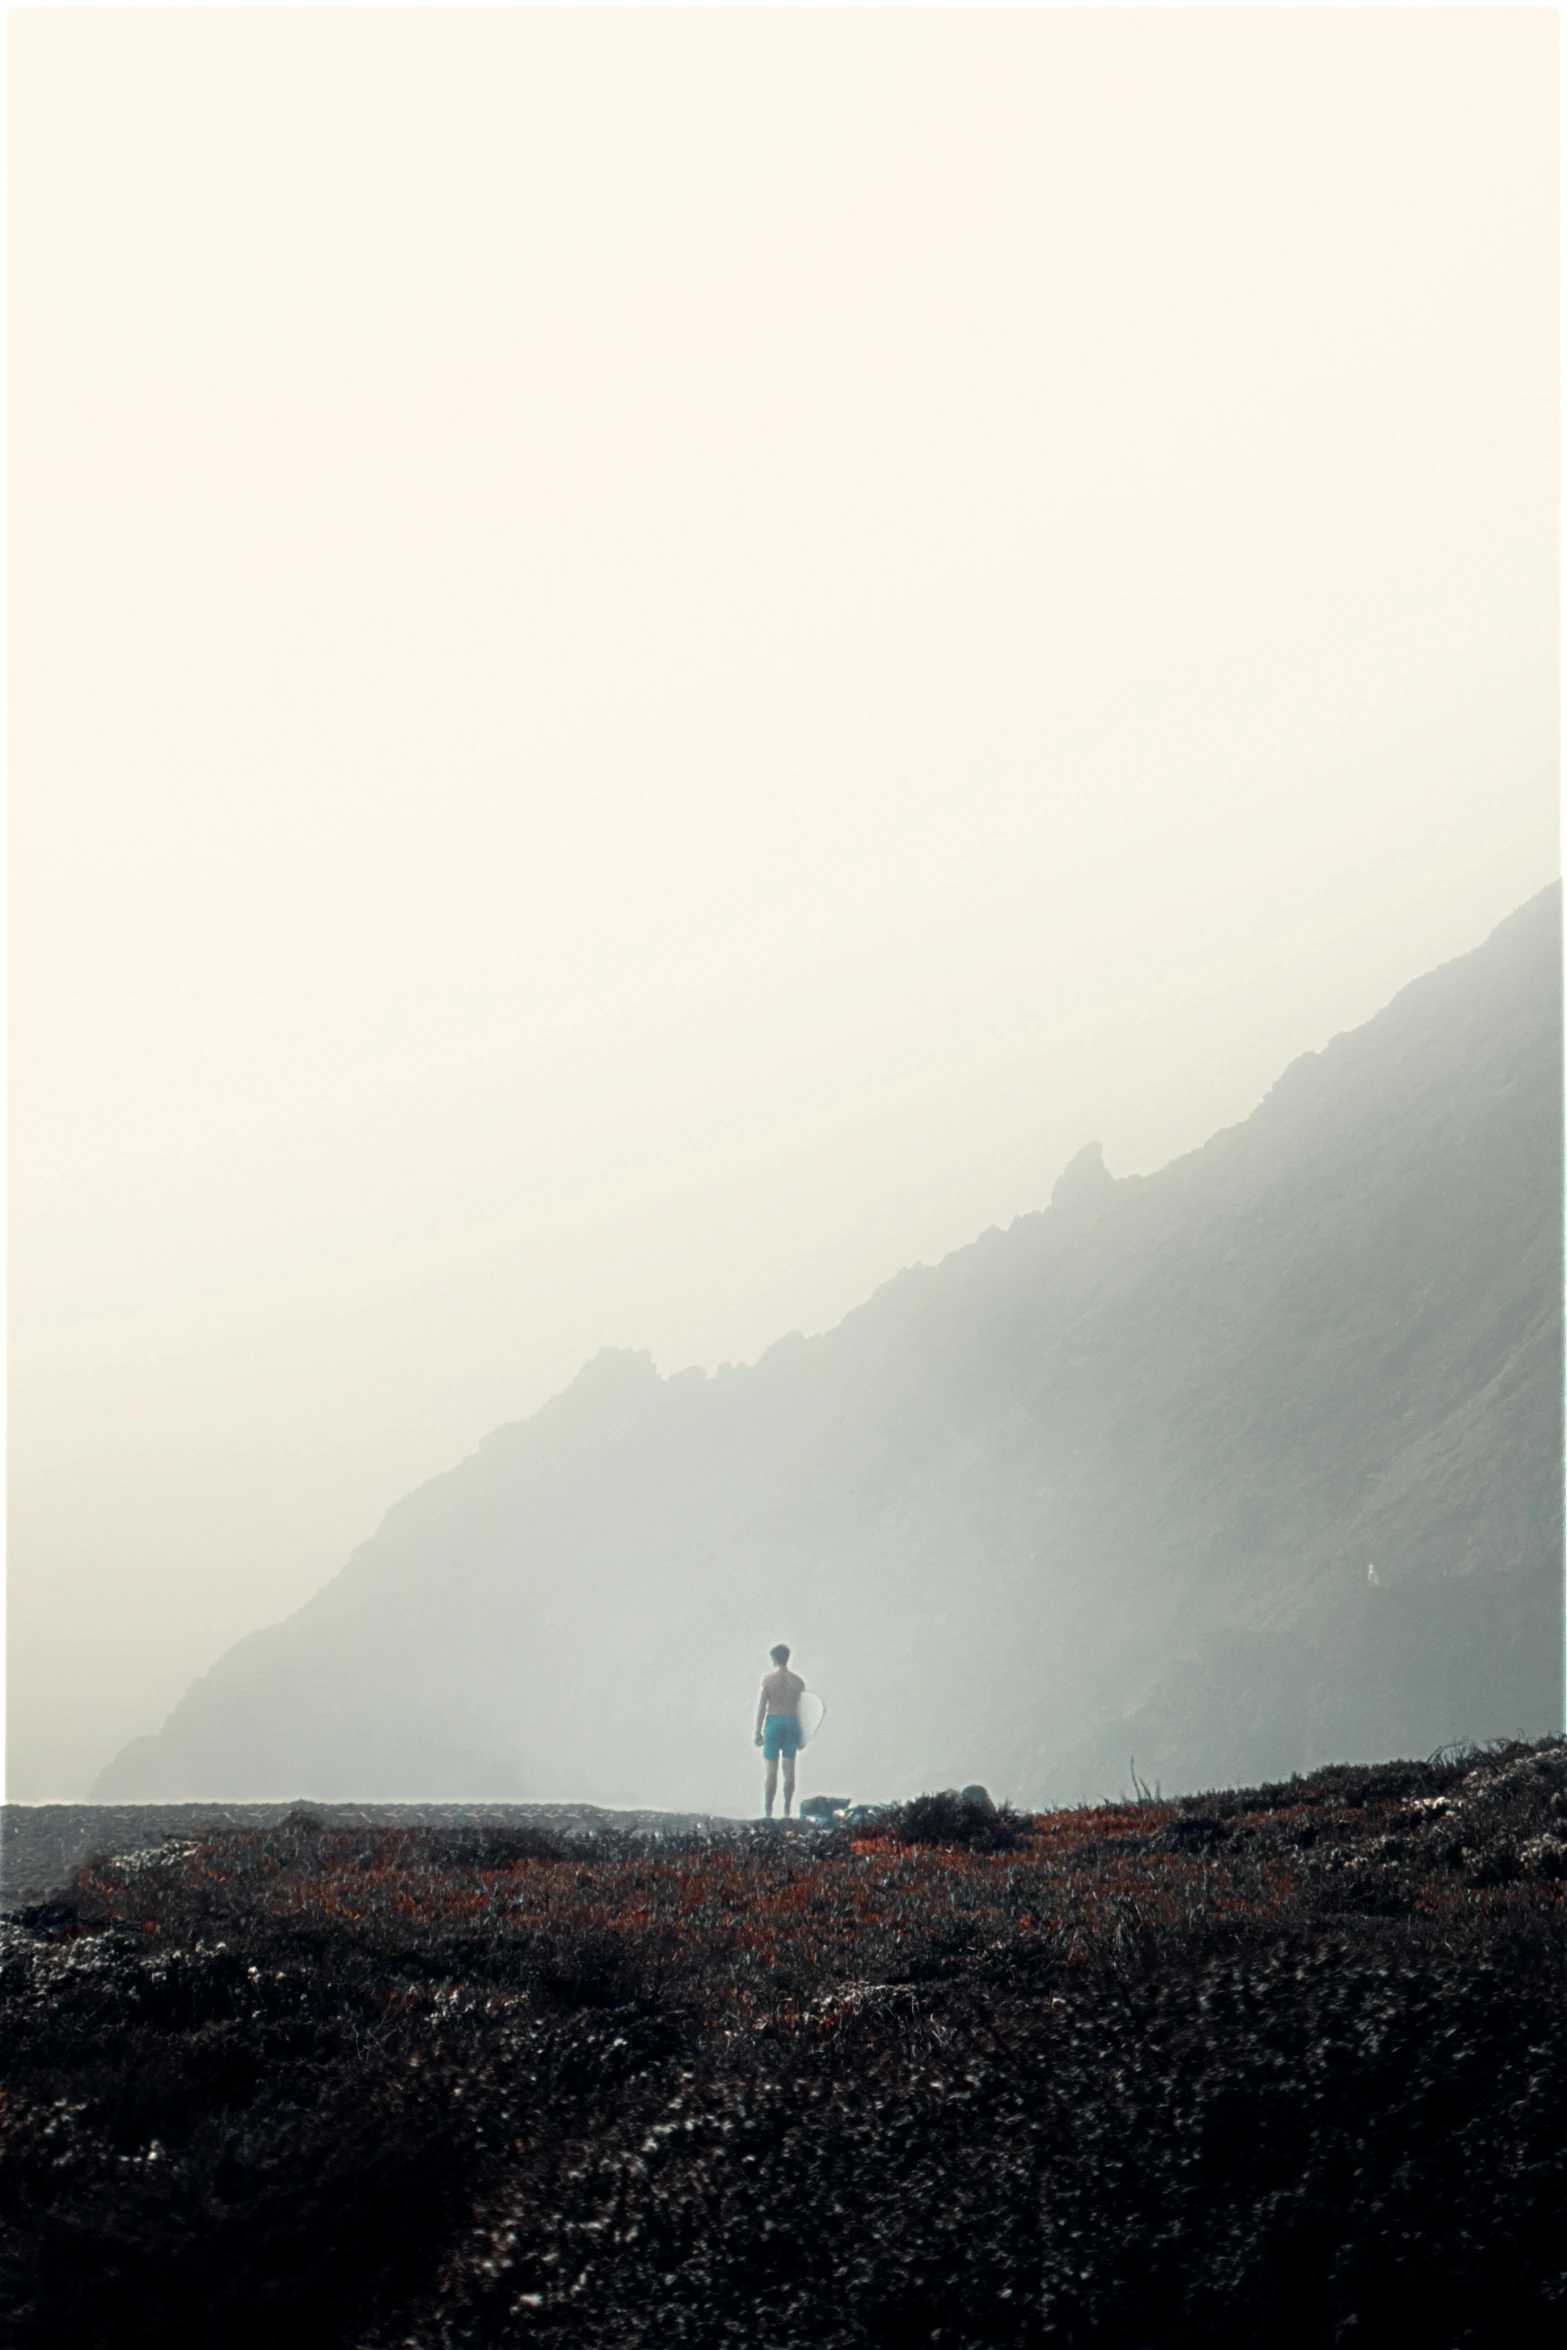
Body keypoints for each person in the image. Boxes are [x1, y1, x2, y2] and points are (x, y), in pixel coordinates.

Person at [754, 1643, 806, 1820]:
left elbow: (762, 1707)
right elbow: (803, 1710)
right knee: (789, 1768)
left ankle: (768, 1812)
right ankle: (786, 1809)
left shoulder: (768, 1679)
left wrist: (757, 1731)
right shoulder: (798, 1682)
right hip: (791, 1721)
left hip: (773, 1721)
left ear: (774, 1659)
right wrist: (803, 1734)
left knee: (771, 1769)